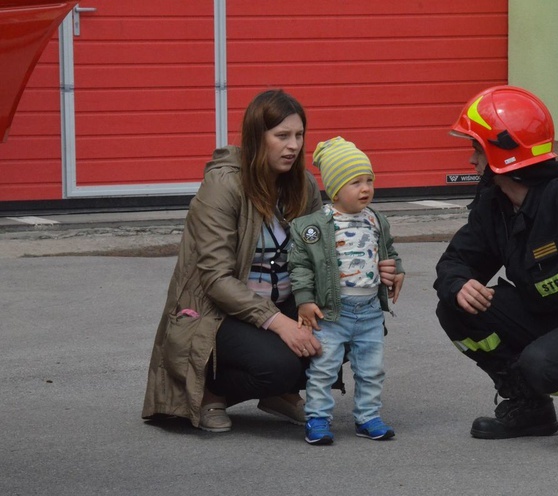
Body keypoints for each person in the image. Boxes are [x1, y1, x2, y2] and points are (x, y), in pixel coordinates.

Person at [141, 90, 402, 433]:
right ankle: (212, 393)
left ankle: (279, 393)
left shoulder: (303, 184)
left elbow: (326, 254)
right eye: (281, 136)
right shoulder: (223, 186)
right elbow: (215, 279)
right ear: (255, 138)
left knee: (353, 321)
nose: (292, 146)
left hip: (282, 301)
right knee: (277, 364)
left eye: (298, 135)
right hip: (219, 312)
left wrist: (381, 267)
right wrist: (282, 324)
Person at [434, 85, 558, 449]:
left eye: (476, 149)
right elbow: (457, 260)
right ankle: (530, 407)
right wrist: (459, 283)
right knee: (456, 308)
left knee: (542, 363)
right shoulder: (494, 206)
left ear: (499, 153)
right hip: (545, 317)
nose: (471, 161)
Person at [288, 137, 405, 445]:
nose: (365, 188)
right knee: (323, 369)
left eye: (369, 180)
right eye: (355, 182)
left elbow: (389, 251)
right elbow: (300, 266)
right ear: (336, 188)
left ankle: (368, 417)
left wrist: (398, 270)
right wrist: (304, 301)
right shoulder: (317, 225)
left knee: (371, 369)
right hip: (332, 312)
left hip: (368, 312)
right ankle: (317, 418)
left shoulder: (376, 219)